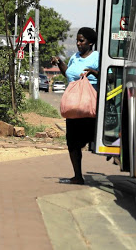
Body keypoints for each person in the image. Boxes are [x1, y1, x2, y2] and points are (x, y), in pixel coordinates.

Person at [51, 27, 99, 185]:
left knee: (87, 137)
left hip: (88, 105)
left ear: (90, 42)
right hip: (73, 107)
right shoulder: (75, 57)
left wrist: (93, 72)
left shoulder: (97, 57)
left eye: (81, 41)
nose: (78, 43)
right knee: (72, 142)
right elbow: (68, 73)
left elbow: (108, 74)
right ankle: (77, 176)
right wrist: (60, 63)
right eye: (77, 40)